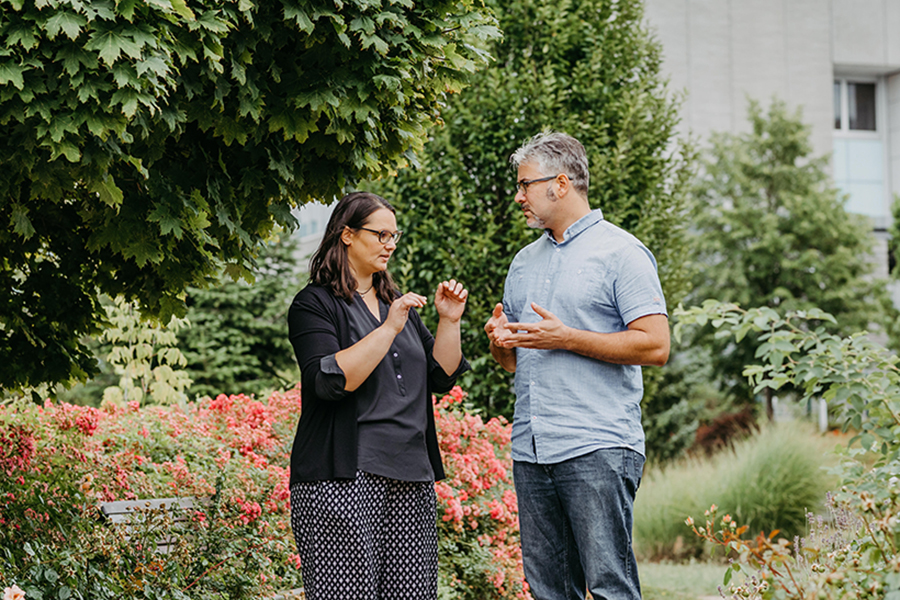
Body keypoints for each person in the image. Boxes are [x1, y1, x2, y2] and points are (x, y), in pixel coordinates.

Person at [484, 132, 670, 600]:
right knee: (548, 591)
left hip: (598, 445)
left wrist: (566, 337)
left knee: (610, 587)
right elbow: (511, 363)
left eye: (526, 185)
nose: (518, 196)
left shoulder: (622, 253)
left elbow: (655, 345)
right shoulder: (523, 263)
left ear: (561, 184)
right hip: (531, 449)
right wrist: (500, 342)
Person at [287, 191, 469, 600]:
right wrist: (388, 329)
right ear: (347, 234)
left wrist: (449, 321)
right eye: (381, 234)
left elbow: (441, 375)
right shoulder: (314, 304)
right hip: (343, 476)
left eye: (394, 235)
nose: (390, 243)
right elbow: (330, 380)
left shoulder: (394, 302)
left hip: (410, 473)